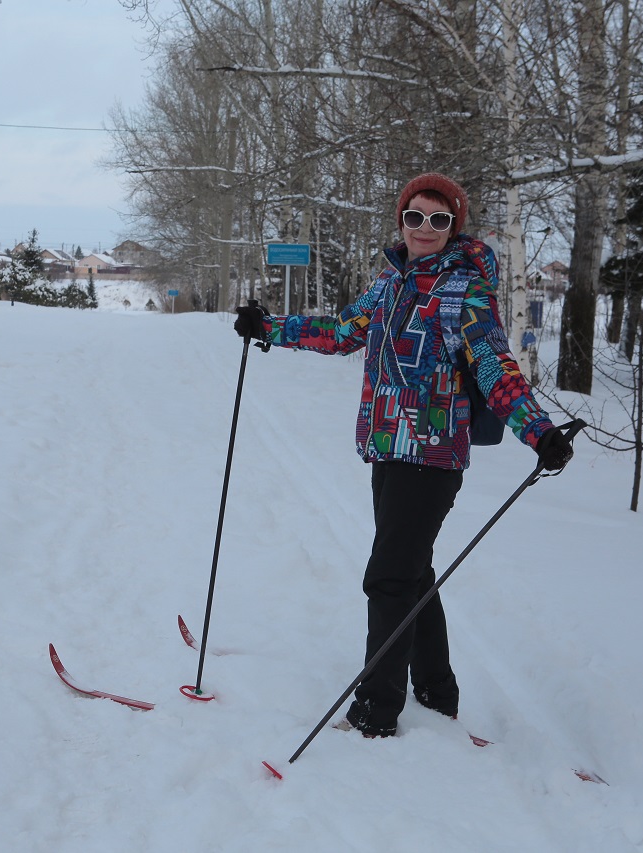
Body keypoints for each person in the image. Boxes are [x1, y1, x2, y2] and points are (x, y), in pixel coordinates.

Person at [233, 172, 573, 738]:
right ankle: (437, 691)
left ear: (452, 228)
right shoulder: (390, 285)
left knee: (388, 580)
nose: (424, 228)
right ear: (402, 220)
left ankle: (376, 712)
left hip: (432, 455)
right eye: (415, 216)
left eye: (438, 220)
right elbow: (342, 331)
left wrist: (538, 432)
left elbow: (493, 366)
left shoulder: (463, 291)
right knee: (413, 576)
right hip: (388, 447)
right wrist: (270, 326)